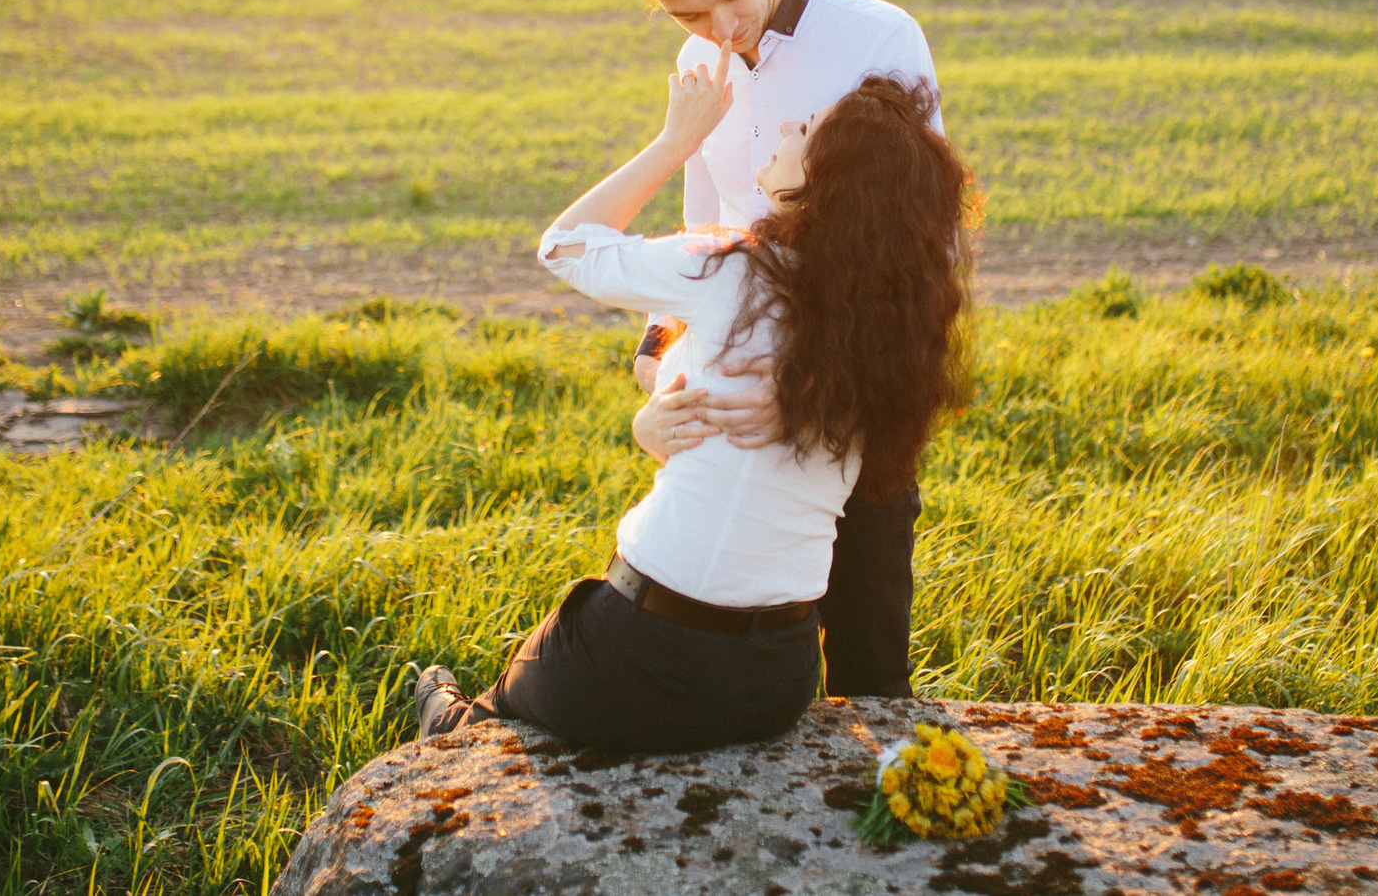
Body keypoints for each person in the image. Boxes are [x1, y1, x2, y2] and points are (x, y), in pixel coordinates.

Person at [414, 61, 971, 753]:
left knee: (496, 720)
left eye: (811, 129)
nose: (792, 126)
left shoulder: (734, 267)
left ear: (827, 181)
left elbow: (564, 245)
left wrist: (677, 141)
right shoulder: (887, 341)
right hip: (778, 680)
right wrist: (651, 424)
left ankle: (446, 715)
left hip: (643, 654)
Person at [607, 0, 944, 701]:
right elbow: (702, 227)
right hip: (738, 414)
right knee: (748, 651)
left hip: (852, 391)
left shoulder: (879, 37)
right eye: (688, 11)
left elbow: (915, 248)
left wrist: (813, 390)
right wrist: (657, 352)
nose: (720, 25)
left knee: (869, 653)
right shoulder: (696, 65)